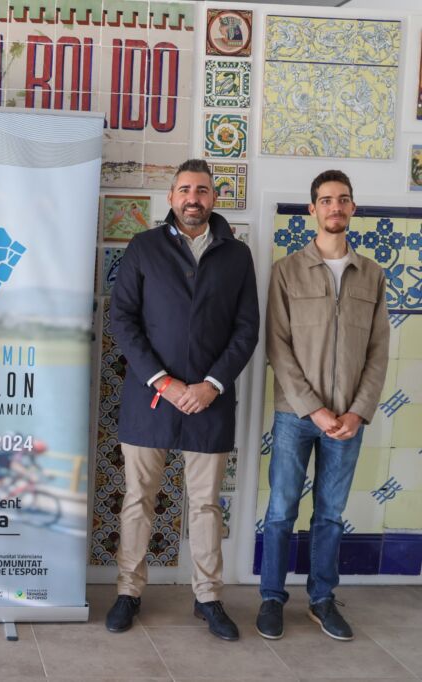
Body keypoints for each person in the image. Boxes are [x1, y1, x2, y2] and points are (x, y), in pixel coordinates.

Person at [107, 158, 259, 640]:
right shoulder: (143, 247)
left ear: (214, 198)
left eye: (203, 190)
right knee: (138, 500)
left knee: (205, 506)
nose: (194, 198)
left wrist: (210, 384)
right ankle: (128, 593)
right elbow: (122, 320)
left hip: (210, 402)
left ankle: (209, 598)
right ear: (171, 197)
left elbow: (246, 328)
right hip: (150, 400)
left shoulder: (237, 256)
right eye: (185, 189)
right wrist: (163, 381)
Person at [257, 170, 389, 642]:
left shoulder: (372, 274)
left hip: (348, 420)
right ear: (312, 209)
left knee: (330, 513)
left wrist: (357, 412)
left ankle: (321, 599)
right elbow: (278, 346)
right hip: (296, 416)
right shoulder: (287, 271)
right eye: (326, 200)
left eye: (344, 200)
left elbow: (377, 352)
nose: (335, 207)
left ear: (353, 209)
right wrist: (314, 408)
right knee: (280, 510)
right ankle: (272, 598)